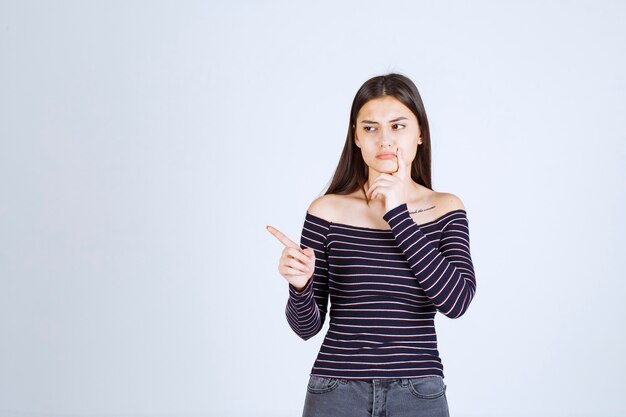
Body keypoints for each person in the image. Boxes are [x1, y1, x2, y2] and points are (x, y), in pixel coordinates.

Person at [266, 73, 476, 417]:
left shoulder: (446, 208)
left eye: (398, 126)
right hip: (336, 389)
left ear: (420, 132)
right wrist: (300, 286)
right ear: (356, 137)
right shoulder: (327, 210)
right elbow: (306, 328)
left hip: (418, 390)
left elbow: (456, 301)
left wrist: (398, 215)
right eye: (370, 128)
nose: (384, 140)